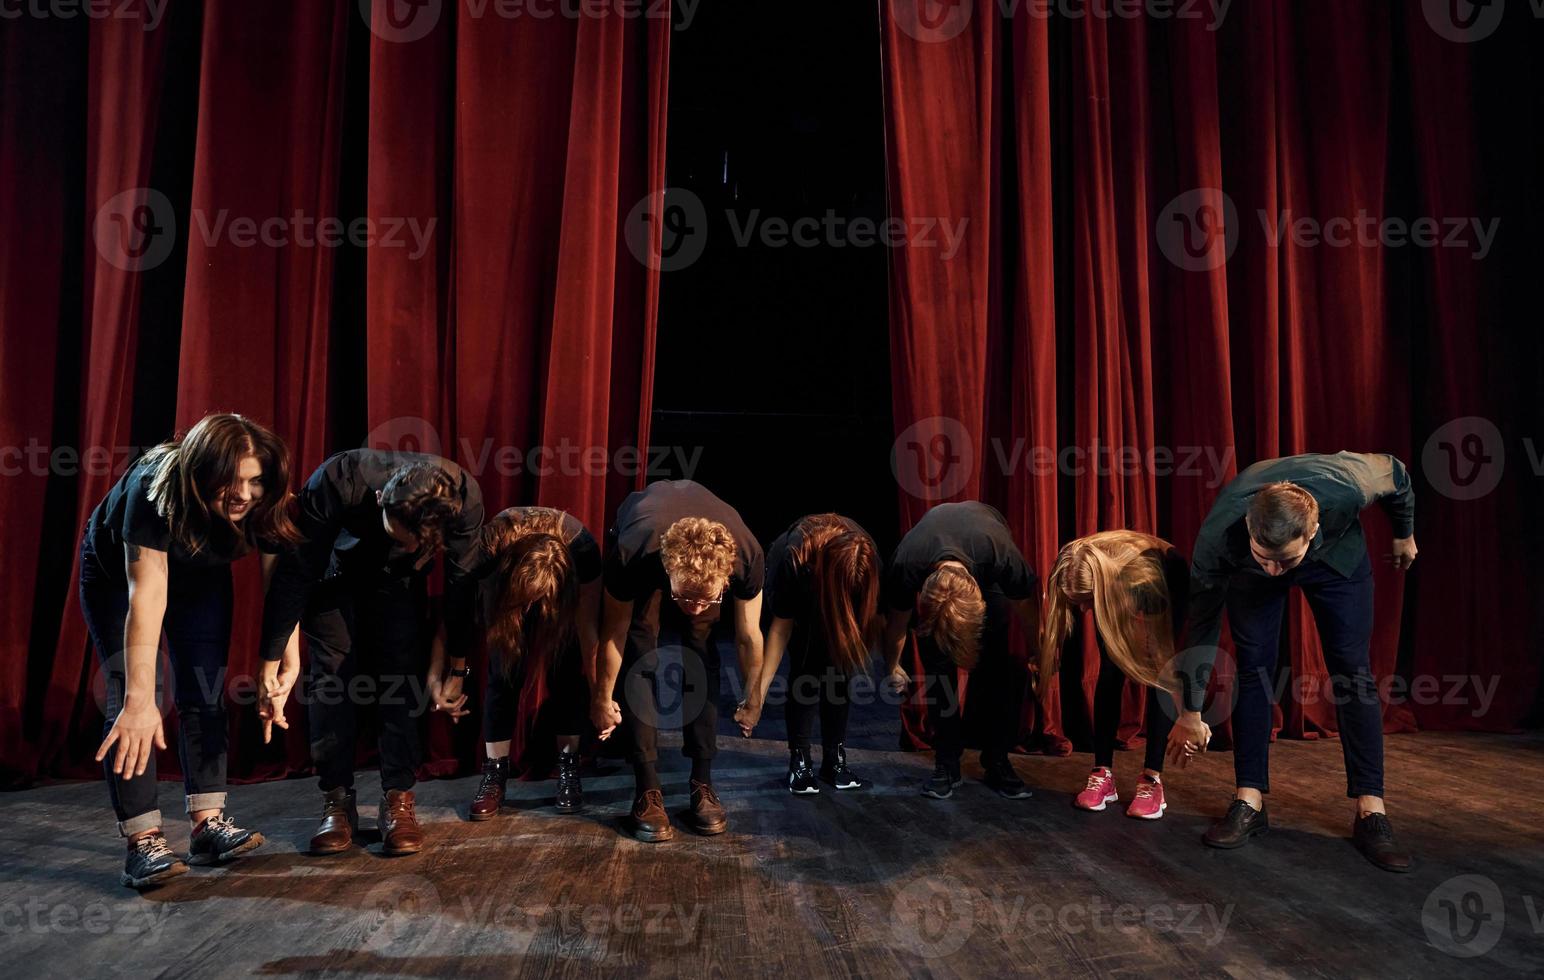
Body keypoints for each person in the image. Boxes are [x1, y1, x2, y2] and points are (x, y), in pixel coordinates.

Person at [80, 413, 301, 888]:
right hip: (121, 582)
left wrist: (285, 660)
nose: (244, 494)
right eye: (230, 481)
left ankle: (207, 825)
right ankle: (143, 842)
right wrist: (141, 700)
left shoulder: (263, 499)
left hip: (199, 574)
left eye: (254, 481)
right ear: (201, 472)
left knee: (205, 688)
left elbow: (280, 585)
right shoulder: (153, 488)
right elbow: (148, 595)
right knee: (133, 698)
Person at [1176, 451, 1418, 872]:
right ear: (1249, 528)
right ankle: (1248, 801)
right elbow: (1202, 626)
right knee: (1252, 667)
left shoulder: (1349, 486)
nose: (1274, 571)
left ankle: (1371, 810)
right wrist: (1191, 711)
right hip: (1243, 568)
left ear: (1312, 532)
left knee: (1351, 670)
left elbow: (1396, 472)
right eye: (1264, 555)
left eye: (1284, 561)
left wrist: (1404, 532)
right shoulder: (1221, 537)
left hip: (1336, 558)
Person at [257, 449, 484, 857]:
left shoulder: (463, 499)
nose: (409, 541)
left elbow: (461, 590)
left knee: (401, 676)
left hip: (399, 582)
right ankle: (337, 800)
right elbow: (297, 573)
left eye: (418, 540)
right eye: (400, 533)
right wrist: (270, 663)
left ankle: (398, 798)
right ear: (381, 499)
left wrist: (457, 668)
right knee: (332, 677)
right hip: (334, 573)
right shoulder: (338, 480)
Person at [592, 480, 764, 842]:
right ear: (669, 573)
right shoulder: (632, 554)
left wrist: (754, 697)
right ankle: (647, 788)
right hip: (648, 543)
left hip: (697, 562)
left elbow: (749, 636)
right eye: (685, 600)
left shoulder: (746, 557)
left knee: (700, 654)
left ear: (724, 581)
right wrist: (602, 699)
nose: (695, 608)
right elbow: (613, 634)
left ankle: (702, 782)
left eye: (707, 600)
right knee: (642, 656)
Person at [435, 506, 600, 819]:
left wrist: (599, 696)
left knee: (566, 667)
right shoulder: (485, 552)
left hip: (560, 592)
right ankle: (495, 774)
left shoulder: (583, 549)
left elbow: (588, 629)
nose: (531, 608)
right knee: (503, 672)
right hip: (504, 591)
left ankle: (568, 767)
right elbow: (455, 618)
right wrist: (453, 674)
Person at [881, 501, 1039, 800]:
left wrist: (1039, 652)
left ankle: (996, 759)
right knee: (939, 674)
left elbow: (1027, 607)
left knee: (996, 668)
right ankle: (947, 762)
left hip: (985, 565)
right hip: (934, 569)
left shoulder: (1000, 555)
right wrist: (892, 666)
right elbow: (896, 625)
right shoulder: (906, 564)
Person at [1039, 531, 1191, 820]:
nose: (1083, 609)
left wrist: (1189, 713)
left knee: (1158, 673)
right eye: (1078, 602)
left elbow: (1165, 666)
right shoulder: (1078, 561)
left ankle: (1152, 780)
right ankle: (1102, 772)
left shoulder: (1147, 580)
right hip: (1113, 587)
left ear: (1103, 589)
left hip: (1165, 581)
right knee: (1110, 668)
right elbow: (1087, 600)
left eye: (1087, 601)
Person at [740, 513, 881, 795]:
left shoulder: (868, 560)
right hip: (800, 575)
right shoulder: (795, 560)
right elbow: (781, 631)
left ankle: (835, 761)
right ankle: (800, 761)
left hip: (835, 579)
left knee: (839, 670)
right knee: (808, 666)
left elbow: (876, 618)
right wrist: (757, 698)